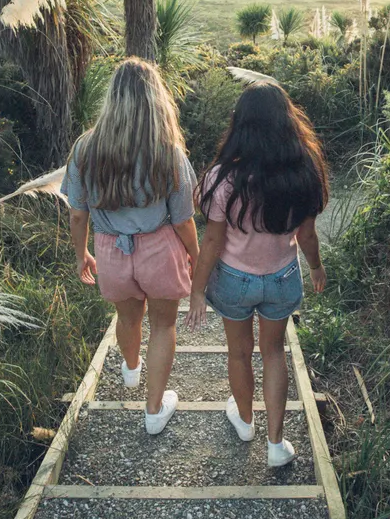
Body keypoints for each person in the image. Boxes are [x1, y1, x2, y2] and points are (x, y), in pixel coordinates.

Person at [185, 81, 328, 467]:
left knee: (239, 353)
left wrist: (197, 291)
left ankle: (245, 421)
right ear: (288, 122)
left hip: (233, 279)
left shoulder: (222, 178)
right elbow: (307, 234)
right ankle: (275, 445)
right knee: (274, 353)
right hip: (281, 277)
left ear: (240, 125)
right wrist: (315, 266)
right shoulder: (305, 172)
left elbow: (212, 243)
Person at [63, 58, 199, 435]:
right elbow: (183, 219)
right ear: (157, 101)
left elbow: (77, 213)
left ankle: (131, 368)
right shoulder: (167, 152)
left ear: (112, 99)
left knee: (127, 318)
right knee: (163, 324)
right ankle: (154, 411)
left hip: (110, 252)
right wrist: (196, 256)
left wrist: (81, 255)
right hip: (159, 250)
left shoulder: (85, 149)